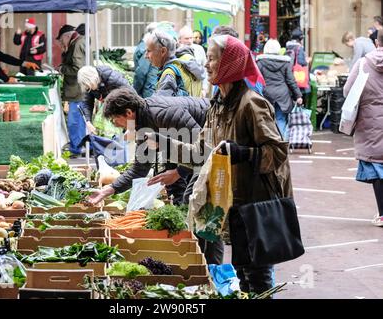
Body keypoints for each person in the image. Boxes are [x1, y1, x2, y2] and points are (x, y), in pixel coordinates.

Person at [149, 35, 293, 293]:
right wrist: (163, 143)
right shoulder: (217, 106)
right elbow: (200, 153)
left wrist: (244, 154)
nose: (206, 64)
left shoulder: (252, 103)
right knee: (242, 272)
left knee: (258, 278)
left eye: (213, 58)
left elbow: (278, 152)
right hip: (233, 205)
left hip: (257, 205)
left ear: (231, 63)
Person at [87, 88, 220, 260]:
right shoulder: (143, 125)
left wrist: (179, 172)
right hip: (202, 149)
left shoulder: (162, 113)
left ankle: (209, 263)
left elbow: (203, 148)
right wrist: (108, 190)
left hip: (216, 137)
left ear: (128, 112)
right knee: (194, 202)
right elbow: (140, 168)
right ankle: (204, 261)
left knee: (196, 200)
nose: (117, 126)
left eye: (115, 121)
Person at [344, 30, 383, 227]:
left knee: (377, 165)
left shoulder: (363, 64)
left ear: (376, 42)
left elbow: (347, 91)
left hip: (370, 122)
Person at [257, 39, 303, 140]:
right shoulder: (285, 63)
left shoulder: (260, 62)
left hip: (266, 95)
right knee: (281, 119)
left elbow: (257, 80)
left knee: (266, 119)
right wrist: (298, 96)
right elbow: (291, 81)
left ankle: (268, 142)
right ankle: (280, 142)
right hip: (282, 96)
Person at [144, 28, 204, 97]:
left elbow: (160, 106)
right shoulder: (189, 59)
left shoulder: (169, 73)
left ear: (163, 51)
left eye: (149, 51)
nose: (146, 56)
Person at [57, 24, 86, 157]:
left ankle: (77, 148)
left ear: (67, 36)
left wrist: (62, 69)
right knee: (78, 120)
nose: (61, 42)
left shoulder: (76, 45)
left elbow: (77, 69)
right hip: (77, 89)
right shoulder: (77, 42)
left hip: (77, 90)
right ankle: (78, 146)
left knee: (75, 121)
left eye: (61, 39)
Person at [77, 65, 131, 135]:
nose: (88, 88)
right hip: (111, 112)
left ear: (93, 79)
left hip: (124, 111)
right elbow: (87, 103)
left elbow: (132, 100)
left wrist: (131, 126)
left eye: (89, 85)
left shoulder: (114, 79)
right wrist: (88, 121)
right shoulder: (90, 87)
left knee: (127, 138)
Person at [179, 26, 209, 97]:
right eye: (186, 38)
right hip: (182, 92)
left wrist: (204, 88)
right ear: (179, 40)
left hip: (198, 92)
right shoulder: (176, 52)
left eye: (191, 38)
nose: (189, 41)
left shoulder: (199, 49)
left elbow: (205, 68)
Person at [133, 22, 159, 98]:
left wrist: (135, 91)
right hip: (148, 92)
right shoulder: (147, 48)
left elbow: (141, 72)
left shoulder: (145, 46)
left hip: (149, 91)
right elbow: (141, 72)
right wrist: (135, 91)